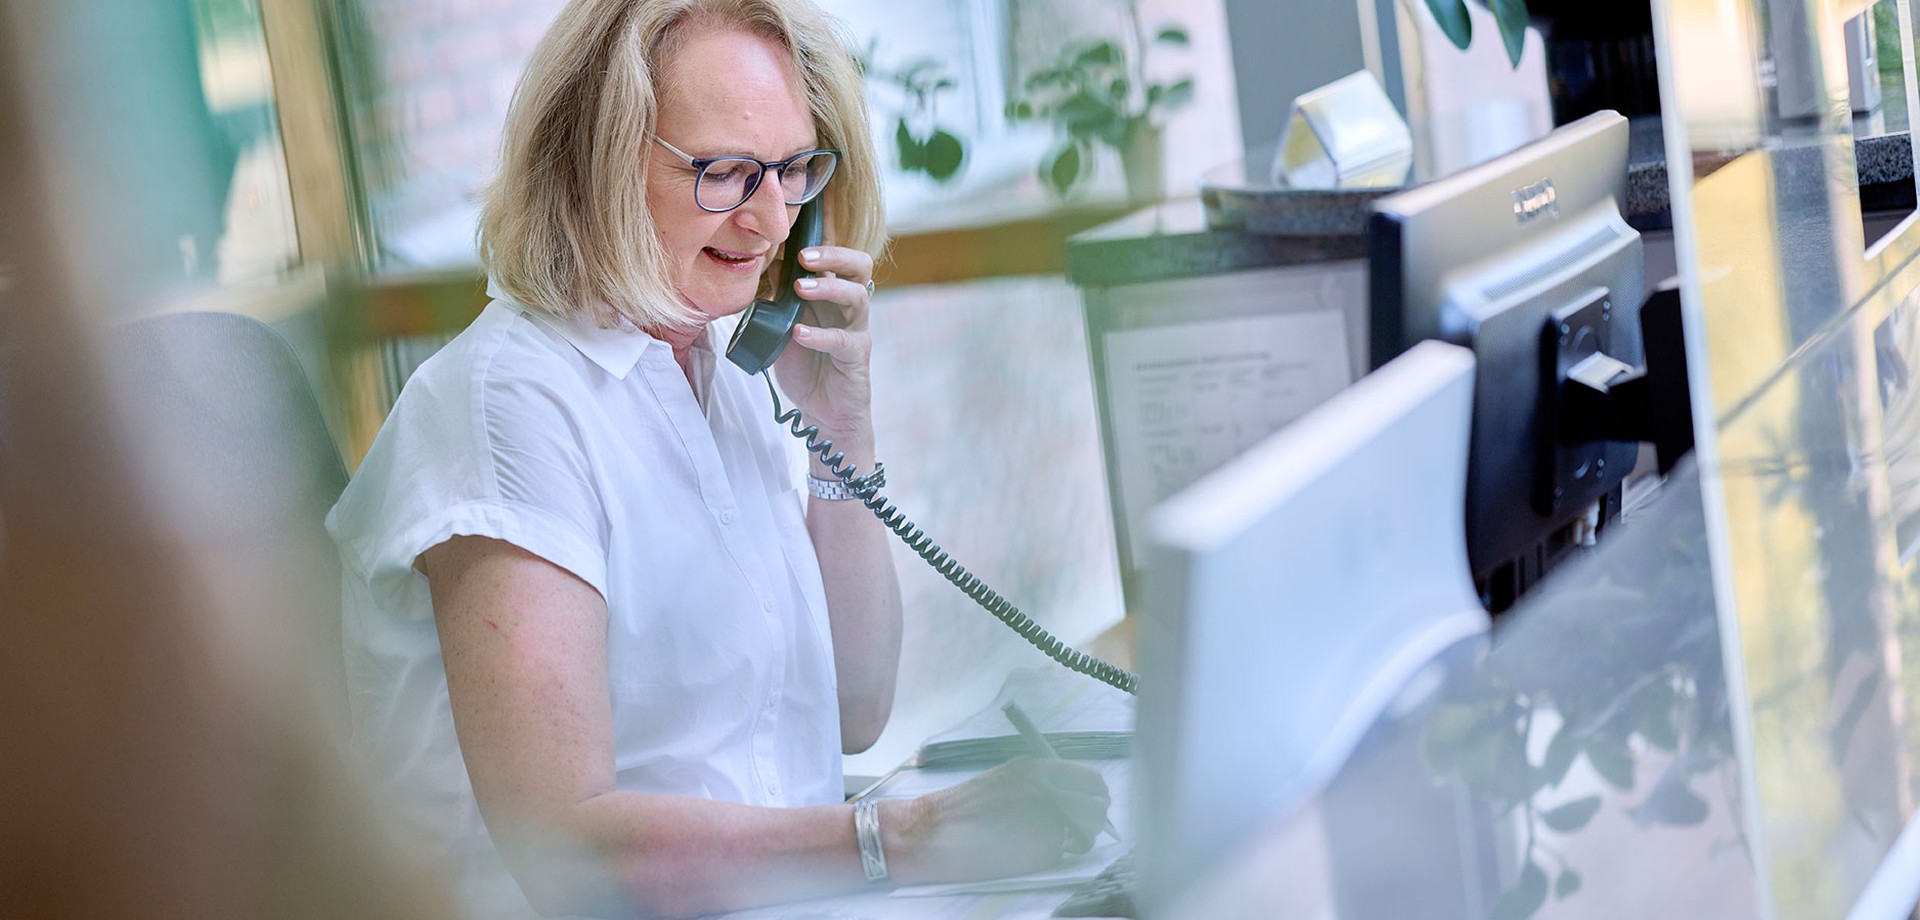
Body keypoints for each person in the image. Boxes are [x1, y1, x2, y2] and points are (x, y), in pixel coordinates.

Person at [325, 0, 1111, 917]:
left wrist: (841, 431)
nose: (773, 220)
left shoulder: (719, 366)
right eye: (726, 173)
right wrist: (899, 839)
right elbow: (566, 851)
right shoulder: (506, 409)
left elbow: (858, 707)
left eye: (793, 170)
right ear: (596, 165)